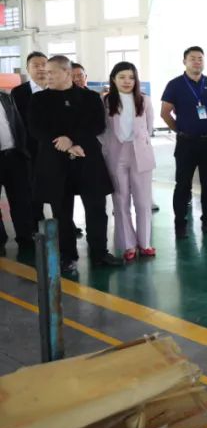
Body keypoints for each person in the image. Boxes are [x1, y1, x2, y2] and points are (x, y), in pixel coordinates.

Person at [29, 56, 119, 276]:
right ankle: (67, 255)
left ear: (67, 73)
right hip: (55, 162)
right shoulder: (38, 99)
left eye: (52, 72)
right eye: (45, 72)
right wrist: (65, 145)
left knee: (96, 208)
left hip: (87, 158)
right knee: (61, 211)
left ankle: (99, 253)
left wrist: (73, 140)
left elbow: (97, 125)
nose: (47, 76)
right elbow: (36, 129)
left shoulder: (90, 98)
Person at [160, 46, 207, 238]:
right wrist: (180, 130)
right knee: (183, 184)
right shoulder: (175, 84)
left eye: (200, 58)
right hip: (186, 143)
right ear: (184, 62)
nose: (197, 62)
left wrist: (205, 124)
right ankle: (180, 223)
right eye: (193, 58)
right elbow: (165, 113)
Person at [101, 62, 156, 263]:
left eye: (131, 77)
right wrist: (109, 146)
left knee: (143, 201)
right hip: (116, 154)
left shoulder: (144, 100)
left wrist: (140, 142)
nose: (127, 81)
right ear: (113, 79)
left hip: (140, 153)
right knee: (120, 200)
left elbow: (149, 127)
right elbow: (101, 130)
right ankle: (128, 245)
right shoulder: (106, 101)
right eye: (122, 77)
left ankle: (145, 243)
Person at [12, 51, 49, 224]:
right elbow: (16, 122)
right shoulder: (18, 93)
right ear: (27, 69)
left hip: (56, 147)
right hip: (30, 149)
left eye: (44, 64)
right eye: (36, 65)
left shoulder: (56, 88)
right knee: (33, 187)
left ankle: (67, 224)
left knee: (61, 187)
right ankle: (36, 221)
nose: (41, 68)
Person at [0, 87, 35, 250]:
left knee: (21, 199)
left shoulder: (5, 96)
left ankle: (25, 236)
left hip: (14, 156)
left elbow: (17, 123)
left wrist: (23, 150)